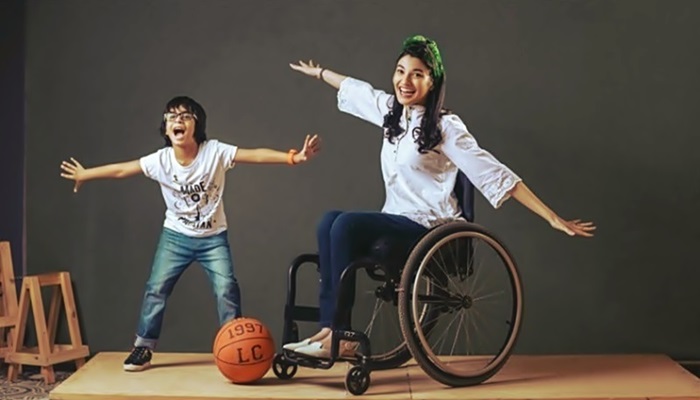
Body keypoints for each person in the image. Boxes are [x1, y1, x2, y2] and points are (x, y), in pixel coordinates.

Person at [284, 34, 595, 358]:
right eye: (400, 71)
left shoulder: (445, 126)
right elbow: (357, 89)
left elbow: (493, 172)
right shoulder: (392, 114)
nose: (405, 81)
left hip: (429, 225)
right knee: (328, 222)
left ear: (432, 81)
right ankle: (327, 328)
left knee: (345, 225)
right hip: (396, 216)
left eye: (417, 74)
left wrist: (551, 217)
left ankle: (341, 335)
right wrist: (320, 73)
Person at [59, 95, 321, 371]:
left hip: (213, 239)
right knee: (156, 289)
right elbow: (124, 169)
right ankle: (143, 348)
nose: (177, 120)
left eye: (185, 116)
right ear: (165, 128)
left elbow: (253, 154)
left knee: (226, 289)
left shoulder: (214, 152)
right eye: (171, 117)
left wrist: (294, 157)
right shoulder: (161, 160)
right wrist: (85, 174)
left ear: (197, 125)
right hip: (175, 237)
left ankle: (236, 349)